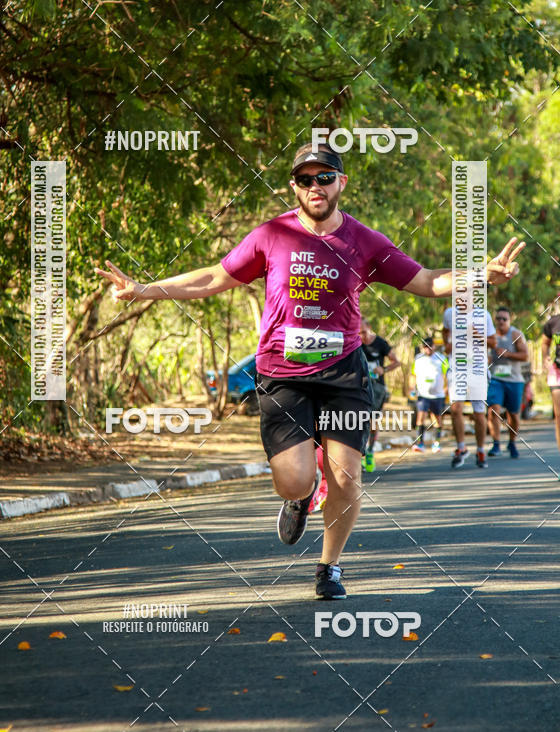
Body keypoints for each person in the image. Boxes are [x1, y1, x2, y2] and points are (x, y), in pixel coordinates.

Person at [95, 142, 524, 600]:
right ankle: (300, 497)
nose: (315, 186)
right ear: (294, 187)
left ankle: (330, 568)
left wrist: (479, 275)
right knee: (295, 478)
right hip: (282, 374)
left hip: (344, 375)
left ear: (342, 183)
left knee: (346, 476)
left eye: (324, 177)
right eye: (305, 179)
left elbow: (424, 281)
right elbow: (214, 278)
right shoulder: (271, 235)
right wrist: (144, 289)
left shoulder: (364, 240)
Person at [442, 306, 497, 469]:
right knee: (456, 409)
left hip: (477, 369)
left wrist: (476, 334)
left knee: (479, 414)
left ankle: (480, 450)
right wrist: (448, 343)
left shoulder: (483, 315)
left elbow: (493, 342)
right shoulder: (449, 313)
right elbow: (445, 331)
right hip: (457, 368)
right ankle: (461, 447)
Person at [359, 318, 401, 471]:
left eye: (363, 332)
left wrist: (384, 370)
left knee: (372, 421)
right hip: (360, 387)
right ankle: (360, 455)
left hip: (377, 388)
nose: (362, 336)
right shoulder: (355, 343)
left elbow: (397, 362)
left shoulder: (380, 343)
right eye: (358, 333)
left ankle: (370, 451)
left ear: (369, 327)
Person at [487, 307, 528, 458]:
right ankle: (496, 444)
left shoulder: (516, 334)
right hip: (496, 379)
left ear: (509, 320)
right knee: (493, 409)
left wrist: (508, 354)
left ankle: (512, 442)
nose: (501, 322)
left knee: (513, 415)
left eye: (504, 319)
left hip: (514, 380)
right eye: (498, 319)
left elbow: (525, 356)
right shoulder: (491, 335)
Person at [409, 336, 448, 452]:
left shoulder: (441, 358)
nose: (428, 349)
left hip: (438, 395)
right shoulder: (418, 359)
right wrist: (411, 388)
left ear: (434, 346)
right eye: (425, 347)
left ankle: (436, 443)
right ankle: (420, 443)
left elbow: (447, 375)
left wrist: (446, 389)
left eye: (430, 346)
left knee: (436, 418)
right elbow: (413, 375)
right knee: (420, 417)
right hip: (423, 394)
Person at [541, 310, 560, 474]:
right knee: (559, 415)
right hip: (557, 372)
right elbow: (545, 343)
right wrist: (545, 358)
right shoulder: (553, 322)